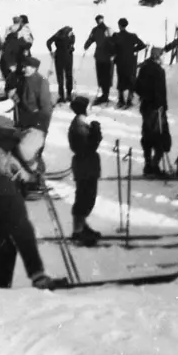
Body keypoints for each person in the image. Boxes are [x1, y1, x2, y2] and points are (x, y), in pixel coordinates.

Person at [0, 115, 61, 289]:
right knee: (18, 232)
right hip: (2, 190)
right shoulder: (12, 146)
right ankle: (33, 277)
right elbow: (22, 230)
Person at [67, 95, 103, 244]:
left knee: (87, 197)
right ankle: (78, 230)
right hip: (85, 165)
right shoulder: (79, 125)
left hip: (86, 165)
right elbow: (87, 147)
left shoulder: (80, 122)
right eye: (88, 106)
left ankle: (82, 226)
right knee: (84, 197)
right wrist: (96, 133)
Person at [135, 46, 171, 178]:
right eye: (162, 56)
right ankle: (154, 166)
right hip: (157, 110)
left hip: (146, 107)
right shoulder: (158, 71)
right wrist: (161, 107)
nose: (164, 58)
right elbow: (160, 92)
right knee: (160, 137)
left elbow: (137, 87)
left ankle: (148, 164)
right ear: (158, 56)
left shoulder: (144, 67)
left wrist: (145, 96)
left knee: (147, 137)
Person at [109, 18, 146, 108]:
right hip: (131, 62)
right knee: (131, 81)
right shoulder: (132, 36)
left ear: (119, 25)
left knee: (121, 80)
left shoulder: (116, 36)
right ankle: (129, 100)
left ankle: (121, 100)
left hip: (120, 61)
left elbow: (111, 47)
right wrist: (133, 50)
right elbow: (142, 45)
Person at [83, 15, 115, 105]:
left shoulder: (108, 30)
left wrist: (113, 54)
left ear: (103, 20)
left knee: (106, 76)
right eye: (97, 20)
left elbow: (113, 42)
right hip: (100, 56)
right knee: (101, 75)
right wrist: (86, 45)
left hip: (107, 57)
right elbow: (91, 39)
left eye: (100, 20)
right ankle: (104, 94)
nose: (99, 22)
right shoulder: (95, 30)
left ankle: (106, 95)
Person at [46, 25, 76, 104]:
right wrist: (71, 48)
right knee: (68, 76)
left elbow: (48, 42)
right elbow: (71, 45)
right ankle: (69, 95)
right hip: (68, 57)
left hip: (58, 56)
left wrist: (51, 51)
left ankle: (61, 96)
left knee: (60, 77)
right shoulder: (71, 36)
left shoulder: (57, 34)